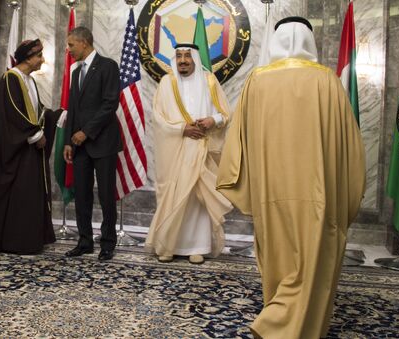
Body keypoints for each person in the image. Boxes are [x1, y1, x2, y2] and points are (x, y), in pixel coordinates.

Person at [216, 17, 366, 338]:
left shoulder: (258, 80)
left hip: (271, 194)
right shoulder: (327, 80)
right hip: (321, 195)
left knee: (279, 261)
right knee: (316, 261)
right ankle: (286, 326)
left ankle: (278, 317)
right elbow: (349, 145)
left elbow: (239, 143)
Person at [145, 44, 233, 265]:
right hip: (175, 148)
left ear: (195, 58)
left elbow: (225, 113)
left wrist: (213, 120)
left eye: (187, 55)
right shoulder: (167, 83)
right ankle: (168, 245)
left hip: (201, 148)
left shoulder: (209, 80)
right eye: (179, 56)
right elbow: (158, 117)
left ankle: (198, 247)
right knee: (174, 194)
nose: (183, 60)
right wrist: (181, 129)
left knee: (197, 198)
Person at [0, 39, 60, 254]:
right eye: (39, 56)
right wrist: (36, 134)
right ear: (28, 58)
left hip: (28, 149)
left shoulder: (29, 80)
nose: (42, 60)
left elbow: (38, 111)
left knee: (29, 196)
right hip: (16, 150)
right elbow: (15, 113)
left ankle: (30, 238)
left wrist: (57, 116)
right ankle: (15, 241)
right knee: (20, 194)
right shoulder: (11, 79)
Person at [63, 26, 121, 261]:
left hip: (103, 143)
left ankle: (107, 243)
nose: (69, 51)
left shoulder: (108, 66)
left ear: (84, 43)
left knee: (106, 195)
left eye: (71, 45)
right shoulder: (76, 73)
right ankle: (85, 241)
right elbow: (73, 109)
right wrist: (69, 140)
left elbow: (110, 104)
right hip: (79, 147)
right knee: (82, 195)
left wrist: (85, 132)